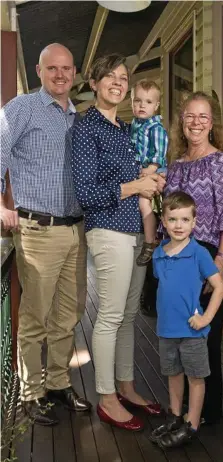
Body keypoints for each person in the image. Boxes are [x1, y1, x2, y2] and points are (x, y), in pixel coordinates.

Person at [72, 53, 165, 432]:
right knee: (109, 316)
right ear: (94, 84)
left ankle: (126, 386)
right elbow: (86, 193)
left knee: (128, 316)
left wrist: (153, 181)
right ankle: (107, 396)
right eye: (109, 75)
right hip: (108, 229)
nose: (117, 81)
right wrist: (136, 186)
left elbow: (148, 174)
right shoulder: (86, 127)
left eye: (123, 76)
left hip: (135, 233)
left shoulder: (129, 130)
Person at [0, 43, 92, 426]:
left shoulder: (78, 118)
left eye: (66, 69)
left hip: (76, 228)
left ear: (74, 74)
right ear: (39, 71)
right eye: (52, 68)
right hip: (38, 229)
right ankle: (31, 392)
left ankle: (57, 383)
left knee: (68, 315)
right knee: (35, 316)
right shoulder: (22, 108)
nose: (60, 75)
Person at [164, 91, 223, 424]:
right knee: (178, 335)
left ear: (212, 124)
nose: (196, 123)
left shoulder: (221, 162)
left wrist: (220, 262)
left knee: (205, 338)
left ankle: (208, 413)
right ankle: (183, 408)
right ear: (181, 123)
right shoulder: (176, 165)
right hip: (175, 259)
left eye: (203, 117)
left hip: (208, 257)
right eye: (190, 117)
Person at [150, 192, 223, 448]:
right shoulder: (159, 253)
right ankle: (175, 417)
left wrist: (206, 318)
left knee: (195, 377)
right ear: (164, 221)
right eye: (172, 219)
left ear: (194, 222)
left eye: (184, 219)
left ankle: (192, 425)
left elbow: (219, 287)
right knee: (173, 374)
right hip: (166, 330)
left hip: (192, 331)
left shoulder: (199, 253)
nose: (179, 225)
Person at [130, 79, 168, 266]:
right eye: (138, 101)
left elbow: (160, 155)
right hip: (140, 172)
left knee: (144, 203)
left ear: (157, 106)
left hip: (154, 170)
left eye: (148, 102)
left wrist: (150, 171)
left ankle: (149, 242)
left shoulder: (156, 129)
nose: (142, 105)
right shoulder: (134, 126)